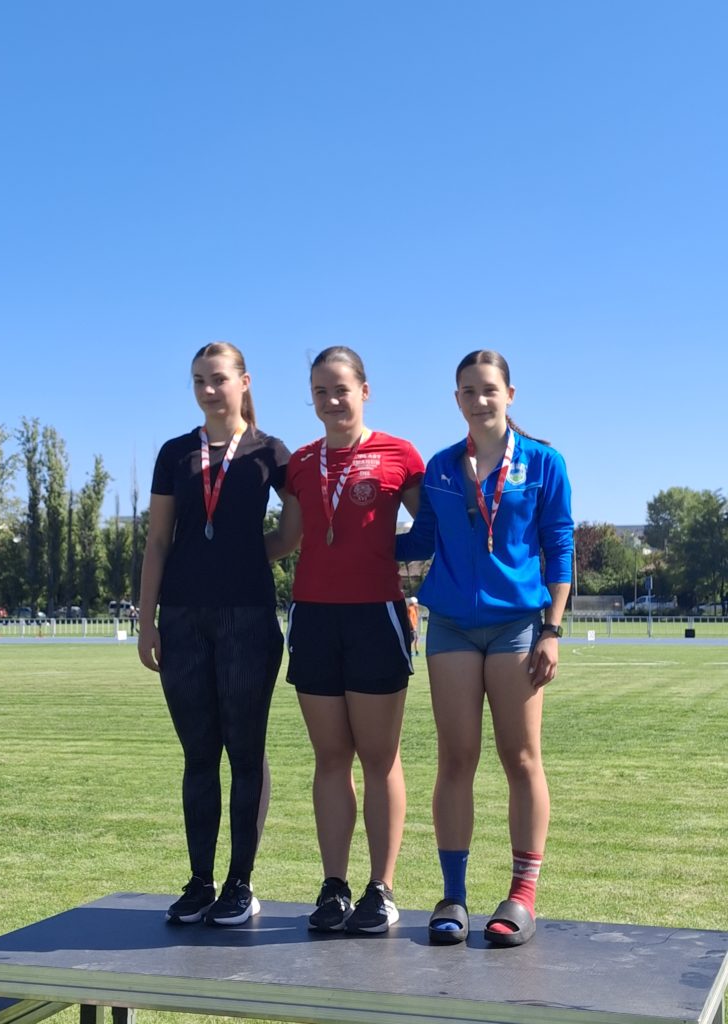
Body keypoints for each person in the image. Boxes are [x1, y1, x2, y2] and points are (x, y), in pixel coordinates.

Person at [396, 349, 573, 947]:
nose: (479, 400)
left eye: (489, 389)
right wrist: (347, 532)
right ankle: (453, 896)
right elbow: (420, 540)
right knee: (455, 759)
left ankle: (521, 896)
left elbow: (559, 546)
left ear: (509, 394)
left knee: (520, 758)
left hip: (517, 627)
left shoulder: (544, 463)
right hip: (450, 624)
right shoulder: (442, 468)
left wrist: (551, 629)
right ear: (457, 400)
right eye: (468, 391)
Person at [267, 346, 424, 934]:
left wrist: (384, 553)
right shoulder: (301, 463)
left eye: (341, 389)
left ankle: (381, 889)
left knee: (380, 758)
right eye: (320, 391)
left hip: (376, 617)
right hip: (313, 618)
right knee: (330, 758)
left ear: (365, 391)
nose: (331, 400)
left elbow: (432, 530)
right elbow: (285, 540)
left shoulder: (400, 455)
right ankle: (334, 886)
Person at [138, 341, 289, 927]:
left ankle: (239, 884)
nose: (207, 389)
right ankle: (200, 881)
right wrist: (146, 619)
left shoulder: (270, 452)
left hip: (247, 618)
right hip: (182, 619)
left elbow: (294, 533)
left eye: (218, 378)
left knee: (245, 752)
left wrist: (243, 557)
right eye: (199, 379)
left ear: (243, 382)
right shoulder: (175, 453)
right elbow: (158, 542)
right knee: (198, 754)